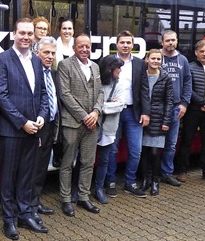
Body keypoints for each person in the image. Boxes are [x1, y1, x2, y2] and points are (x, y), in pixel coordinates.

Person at [0, 18, 49, 240]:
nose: (26, 37)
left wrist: (42, 116)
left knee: (27, 175)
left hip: (34, 129)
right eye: (22, 33)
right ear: (13, 34)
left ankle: (25, 214)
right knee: (8, 177)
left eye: (29, 33)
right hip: (12, 130)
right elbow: (2, 97)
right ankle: (9, 220)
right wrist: (22, 122)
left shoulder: (36, 61)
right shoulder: (1, 60)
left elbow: (43, 93)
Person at [57, 34, 104, 217]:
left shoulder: (95, 66)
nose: (84, 49)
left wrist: (96, 112)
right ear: (74, 48)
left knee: (87, 162)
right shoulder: (65, 65)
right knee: (67, 163)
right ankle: (66, 199)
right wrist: (85, 116)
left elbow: (100, 91)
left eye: (87, 46)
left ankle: (83, 196)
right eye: (81, 46)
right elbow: (65, 94)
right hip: (73, 123)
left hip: (93, 123)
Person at [104, 30, 150, 198]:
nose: (125, 45)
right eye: (122, 42)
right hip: (112, 112)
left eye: (128, 42)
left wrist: (146, 112)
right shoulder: (108, 61)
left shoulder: (139, 64)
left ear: (133, 45)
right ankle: (110, 181)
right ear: (117, 44)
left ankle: (130, 182)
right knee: (112, 149)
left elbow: (144, 90)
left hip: (133, 112)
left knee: (135, 150)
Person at [175, 39, 205, 184]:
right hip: (193, 110)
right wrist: (202, 102)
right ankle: (182, 171)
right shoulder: (189, 68)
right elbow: (187, 89)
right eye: (201, 51)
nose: (204, 54)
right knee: (186, 141)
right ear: (196, 53)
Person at [159, 30, 192, 187]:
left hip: (175, 108)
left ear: (177, 41)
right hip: (158, 108)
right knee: (154, 143)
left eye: (173, 40)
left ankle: (166, 173)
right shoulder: (156, 57)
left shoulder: (183, 60)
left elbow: (187, 82)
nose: (170, 43)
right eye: (167, 40)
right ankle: (151, 173)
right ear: (162, 42)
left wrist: (184, 104)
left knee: (171, 144)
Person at [141, 49, 174, 196]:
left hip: (159, 119)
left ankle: (155, 181)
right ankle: (146, 180)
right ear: (147, 59)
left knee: (155, 152)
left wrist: (166, 121)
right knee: (144, 152)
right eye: (153, 58)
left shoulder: (165, 78)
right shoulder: (141, 76)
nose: (155, 61)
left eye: (158, 59)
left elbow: (169, 101)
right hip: (142, 119)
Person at [32, 36, 58, 216]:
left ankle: (35, 201)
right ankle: (28, 204)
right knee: (32, 167)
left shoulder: (53, 73)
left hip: (50, 126)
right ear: (36, 53)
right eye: (46, 52)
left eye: (53, 53)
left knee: (41, 167)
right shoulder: (32, 72)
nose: (50, 56)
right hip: (35, 126)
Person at [94, 56, 125, 204]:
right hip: (91, 127)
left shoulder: (119, 84)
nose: (120, 71)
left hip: (109, 128)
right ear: (109, 69)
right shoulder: (96, 82)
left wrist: (99, 107)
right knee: (84, 160)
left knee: (104, 160)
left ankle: (99, 188)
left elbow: (120, 105)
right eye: (118, 68)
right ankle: (79, 189)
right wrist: (107, 105)